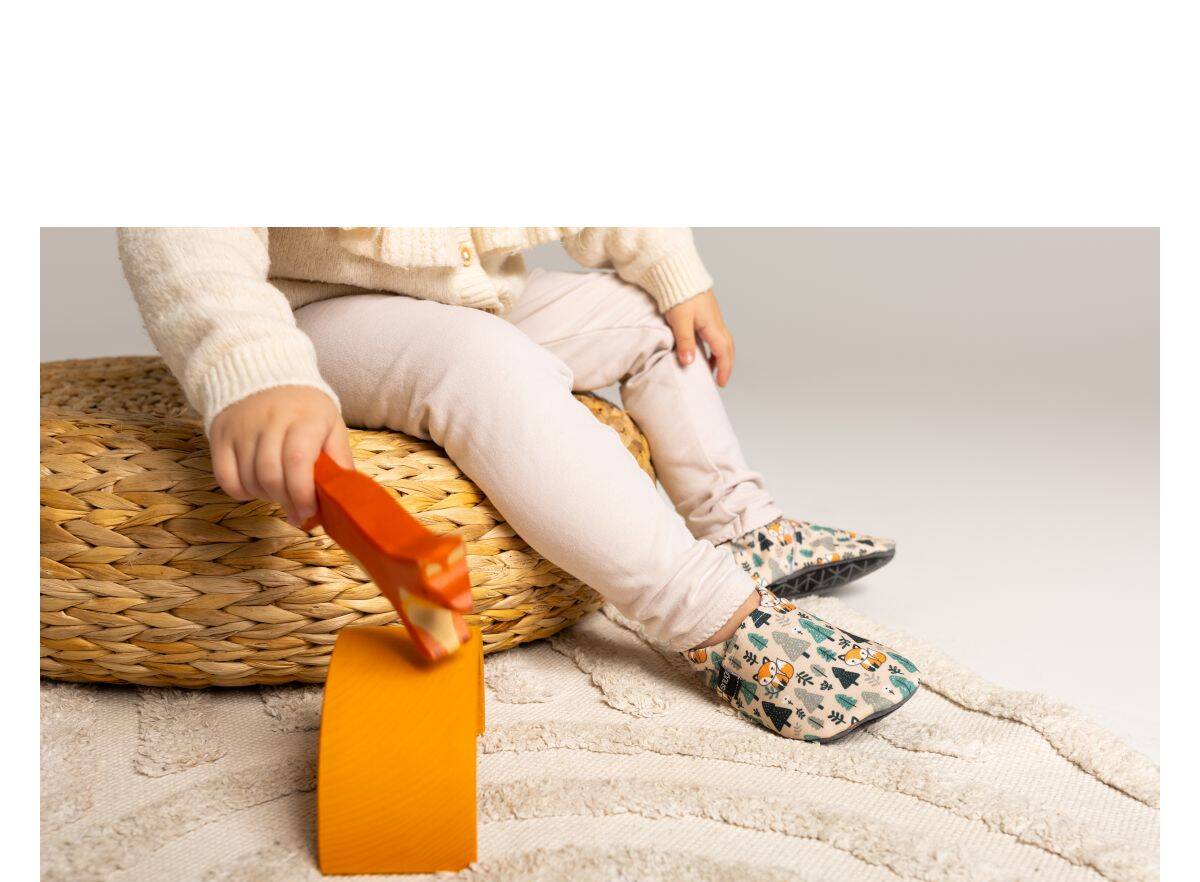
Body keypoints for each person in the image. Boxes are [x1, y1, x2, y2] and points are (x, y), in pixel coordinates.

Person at [118, 227, 918, 741]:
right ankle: (708, 616)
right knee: (483, 364)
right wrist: (255, 366)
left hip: (473, 295)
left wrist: (672, 271)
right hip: (316, 314)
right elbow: (186, 228)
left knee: (644, 322)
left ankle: (739, 520)